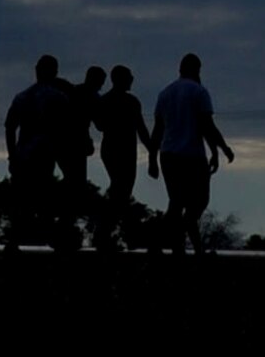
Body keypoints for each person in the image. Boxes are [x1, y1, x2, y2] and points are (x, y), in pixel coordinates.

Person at [149, 52, 234, 256]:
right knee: (198, 201)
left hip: (168, 154)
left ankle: (180, 246)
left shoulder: (165, 93)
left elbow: (158, 130)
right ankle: (178, 241)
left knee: (177, 202)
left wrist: (152, 159)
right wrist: (221, 149)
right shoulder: (199, 92)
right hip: (192, 155)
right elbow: (207, 125)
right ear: (197, 70)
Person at [4, 54, 70, 250]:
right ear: (54, 72)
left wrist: (12, 154)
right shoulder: (58, 97)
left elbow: (9, 127)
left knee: (21, 197)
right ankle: (51, 235)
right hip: (44, 152)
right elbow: (65, 129)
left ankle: (15, 238)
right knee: (45, 194)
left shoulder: (22, 97)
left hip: (23, 152)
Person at [93, 64, 152, 248]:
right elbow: (141, 130)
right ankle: (112, 232)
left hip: (113, 150)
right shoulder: (130, 102)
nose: (132, 80)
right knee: (121, 191)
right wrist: (152, 151)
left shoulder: (106, 100)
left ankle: (109, 232)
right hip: (122, 151)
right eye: (129, 77)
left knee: (120, 191)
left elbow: (99, 125)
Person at [55, 64, 106, 243]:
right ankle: (65, 226)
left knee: (72, 183)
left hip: (62, 141)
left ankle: (64, 224)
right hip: (76, 144)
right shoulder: (92, 97)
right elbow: (101, 124)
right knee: (76, 185)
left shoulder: (73, 91)